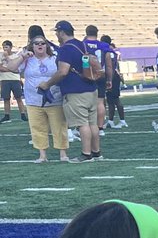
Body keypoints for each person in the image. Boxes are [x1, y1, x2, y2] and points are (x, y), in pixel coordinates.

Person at [37, 21, 103, 160]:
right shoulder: (82, 44)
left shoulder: (66, 49)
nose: (56, 35)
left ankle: (86, 154)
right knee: (93, 124)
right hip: (91, 88)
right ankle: (96, 152)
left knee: (82, 124)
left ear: (61, 32)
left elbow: (63, 72)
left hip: (76, 91)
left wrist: (47, 84)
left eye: (57, 32)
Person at [20, 33, 70, 162]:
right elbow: (12, 67)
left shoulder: (54, 59)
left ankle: (63, 153)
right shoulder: (27, 60)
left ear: (46, 45)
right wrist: (22, 57)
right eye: (36, 43)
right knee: (37, 128)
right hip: (33, 100)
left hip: (54, 98)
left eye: (42, 43)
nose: (40, 45)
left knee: (59, 126)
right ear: (32, 46)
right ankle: (42, 155)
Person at [83, 25, 114, 131]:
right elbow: (109, 64)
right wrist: (109, 79)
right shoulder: (104, 45)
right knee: (100, 102)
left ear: (86, 33)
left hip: (87, 75)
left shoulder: (83, 45)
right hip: (100, 74)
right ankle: (100, 128)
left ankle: (86, 126)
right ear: (97, 33)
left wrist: (86, 73)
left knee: (86, 102)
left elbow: (85, 60)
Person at [0, 40, 28, 123]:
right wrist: (11, 69)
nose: (5, 49)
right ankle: (7, 115)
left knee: (18, 97)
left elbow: (17, 68)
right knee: (6, 98)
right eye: (3, 47)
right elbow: (1, 68)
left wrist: (8, 60)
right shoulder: (1, 56)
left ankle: (23, 114)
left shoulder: (16, 56)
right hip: (4, 79)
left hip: (15, 79)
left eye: (6, 47)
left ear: (11, 47)